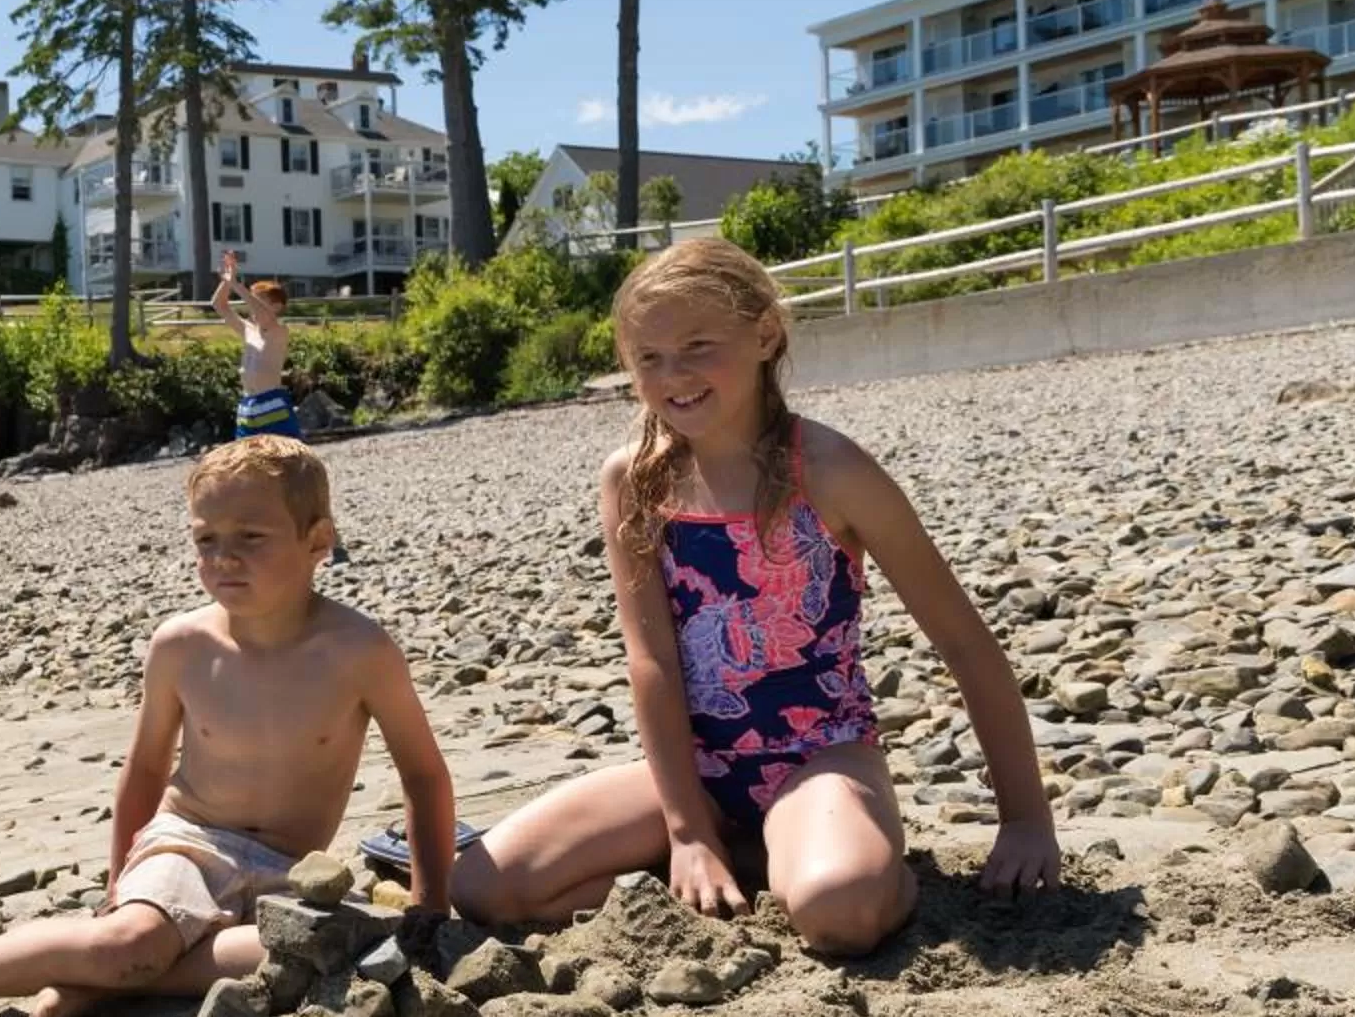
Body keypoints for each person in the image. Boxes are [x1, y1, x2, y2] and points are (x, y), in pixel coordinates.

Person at [451, 240, 1059, 956]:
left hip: (820, 760)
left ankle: (823, 864)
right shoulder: (635, 482)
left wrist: (1024, 820)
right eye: (648, 357)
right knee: (484, 886)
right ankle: (737, 862)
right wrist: (685, 830)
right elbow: (653, 664)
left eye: (698, 346)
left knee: (839, 913)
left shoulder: (830, 470)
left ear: (765, 334)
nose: (673, 375)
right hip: (694, 772)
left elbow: (963, 640)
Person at [0, 436, 454, 1017]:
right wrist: (120, 886)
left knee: (328, 946)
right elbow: (147, 768)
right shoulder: (182, 646)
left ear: (318, 541)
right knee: (130, 940)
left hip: (286, 865)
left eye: (250, 538)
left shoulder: (358, 651)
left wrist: (431, 904)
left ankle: (98, 979)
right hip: (190, 840)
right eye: (206, 540)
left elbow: (422, 775)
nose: (223, 557)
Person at [212, 249, 300, 439]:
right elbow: (219, 305)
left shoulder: (278, 330)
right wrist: (227, 281)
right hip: (247, 407)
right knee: (247, 463)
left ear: (277, 306)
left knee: (283, 460)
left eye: (258, 301)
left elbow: (264, 316)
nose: (251, 305)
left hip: (271, 403)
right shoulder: (249, 331)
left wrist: (237, 285)